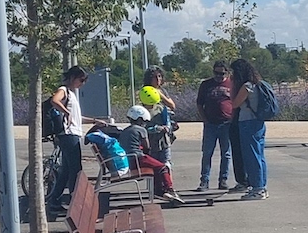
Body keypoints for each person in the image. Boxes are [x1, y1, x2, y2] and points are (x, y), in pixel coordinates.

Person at [104, 105, 186, 202]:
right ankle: (169, 189)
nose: (145, 124)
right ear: (139, 119)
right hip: (137, 158)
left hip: (129, 160)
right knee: (162, 167)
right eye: (144, 121)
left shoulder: (125, 131)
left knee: (156, 167)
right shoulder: (141, 130)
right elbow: (147, 146)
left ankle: (160, 191)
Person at [45, 65, 89, 217]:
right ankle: (75, 203)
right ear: (73, 78)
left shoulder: (72, 94)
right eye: (81, 80)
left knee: (66, 171)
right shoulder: (64, 90)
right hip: (68, 134)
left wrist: (95, 120)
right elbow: (54, 100)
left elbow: (76, 117)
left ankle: (55, 201)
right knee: (75, 169)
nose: (82, 84)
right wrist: (66, 111)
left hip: (72, 134)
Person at [226, 56, 269, 200]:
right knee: (259, 155)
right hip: (258, 122)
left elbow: (235, 103)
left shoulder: (247, 87)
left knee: (251, 157)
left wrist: (233, 87)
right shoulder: (259, 84)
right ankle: (262, 186)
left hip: (247, 122)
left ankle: (257, 188)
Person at [195, 61, 238, 192]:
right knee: (207, 153)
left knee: (226, 154)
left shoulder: (232, 84)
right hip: (211, 124)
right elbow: (199, 104)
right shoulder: (206, 85)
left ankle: (223, 180)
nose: (219, 76)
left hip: (226, 123)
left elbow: (237, 102)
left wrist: (233, 118)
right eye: (216, 73)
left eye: (222, 73)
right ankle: (204, 180)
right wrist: (204, 120)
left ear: (227, 72)